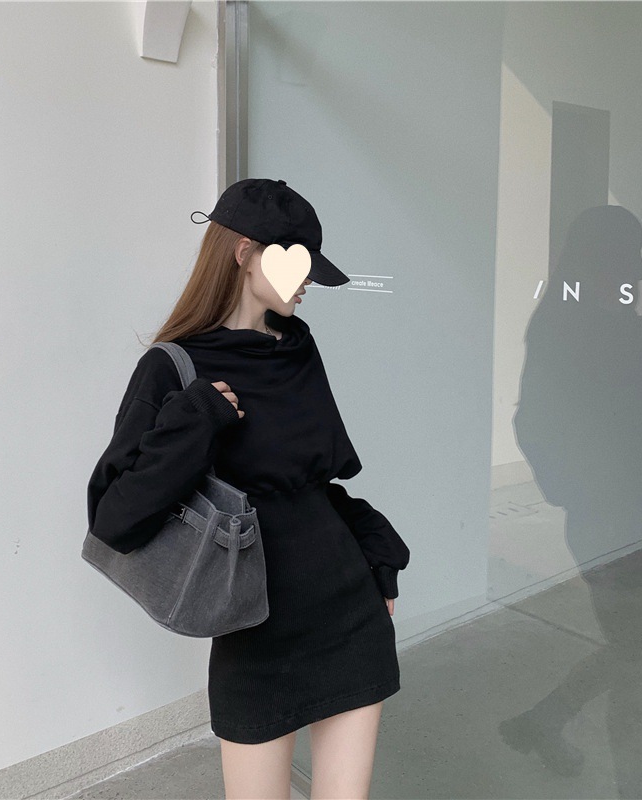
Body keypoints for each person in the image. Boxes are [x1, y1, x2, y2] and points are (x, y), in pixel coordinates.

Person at [86, 178, 411, 799]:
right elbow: (115, 519)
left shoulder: (298, 346)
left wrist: (374, 549)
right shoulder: (171, 368)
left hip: (348, 610)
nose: (309, 281)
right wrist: (196, 422)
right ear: (245, 253)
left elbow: (311, 484)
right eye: (300, 263)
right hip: (256, 631)